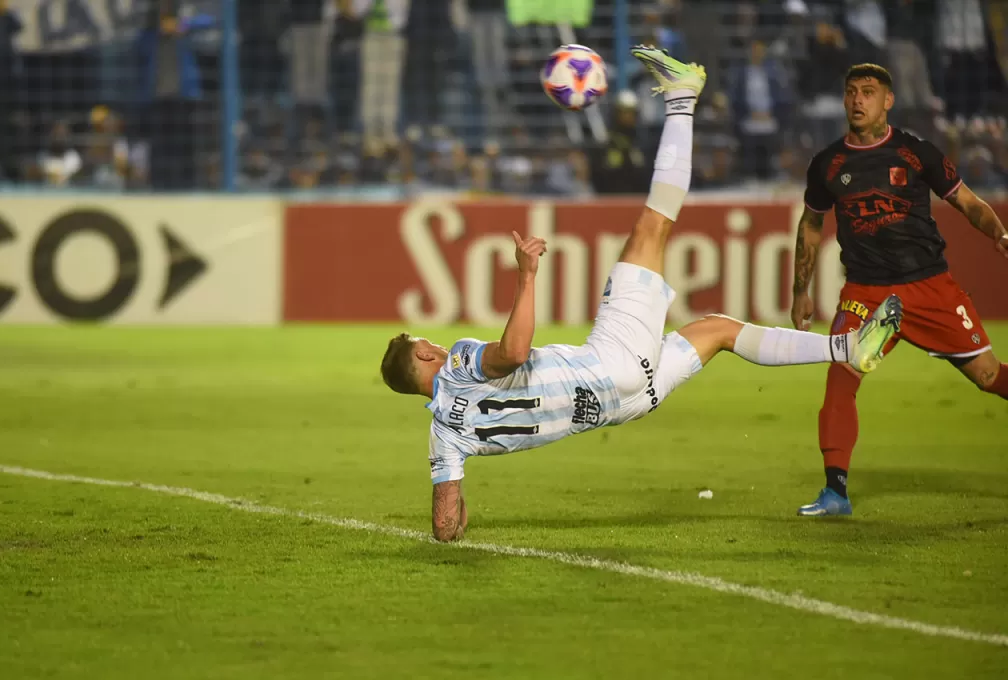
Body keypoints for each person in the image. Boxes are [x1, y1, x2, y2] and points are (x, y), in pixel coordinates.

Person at [378, 48, 904, 543]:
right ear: (423, 355)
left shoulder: (443, 438)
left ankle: (848, 348)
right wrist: (527, 275)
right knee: (651, 229)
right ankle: (682, 96)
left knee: (718, 330)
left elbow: (446, 526)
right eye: (429, 343)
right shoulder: (461, 362)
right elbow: (513, 353)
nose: (438, 345)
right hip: (609, 364)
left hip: (624, 406)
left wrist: (460, 511)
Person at [791, 63, 1008, 518]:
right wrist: (801, 291)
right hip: (866, 293)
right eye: (851, 92)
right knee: (840, 379)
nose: (857, 100)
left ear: (887, 101)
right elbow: (811, 225)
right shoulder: (828, 164)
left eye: (868, 92)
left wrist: (998, 232)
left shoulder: (915, 153)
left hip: (929, 286)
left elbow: (967, 201)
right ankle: (835, 493)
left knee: (988, 376)